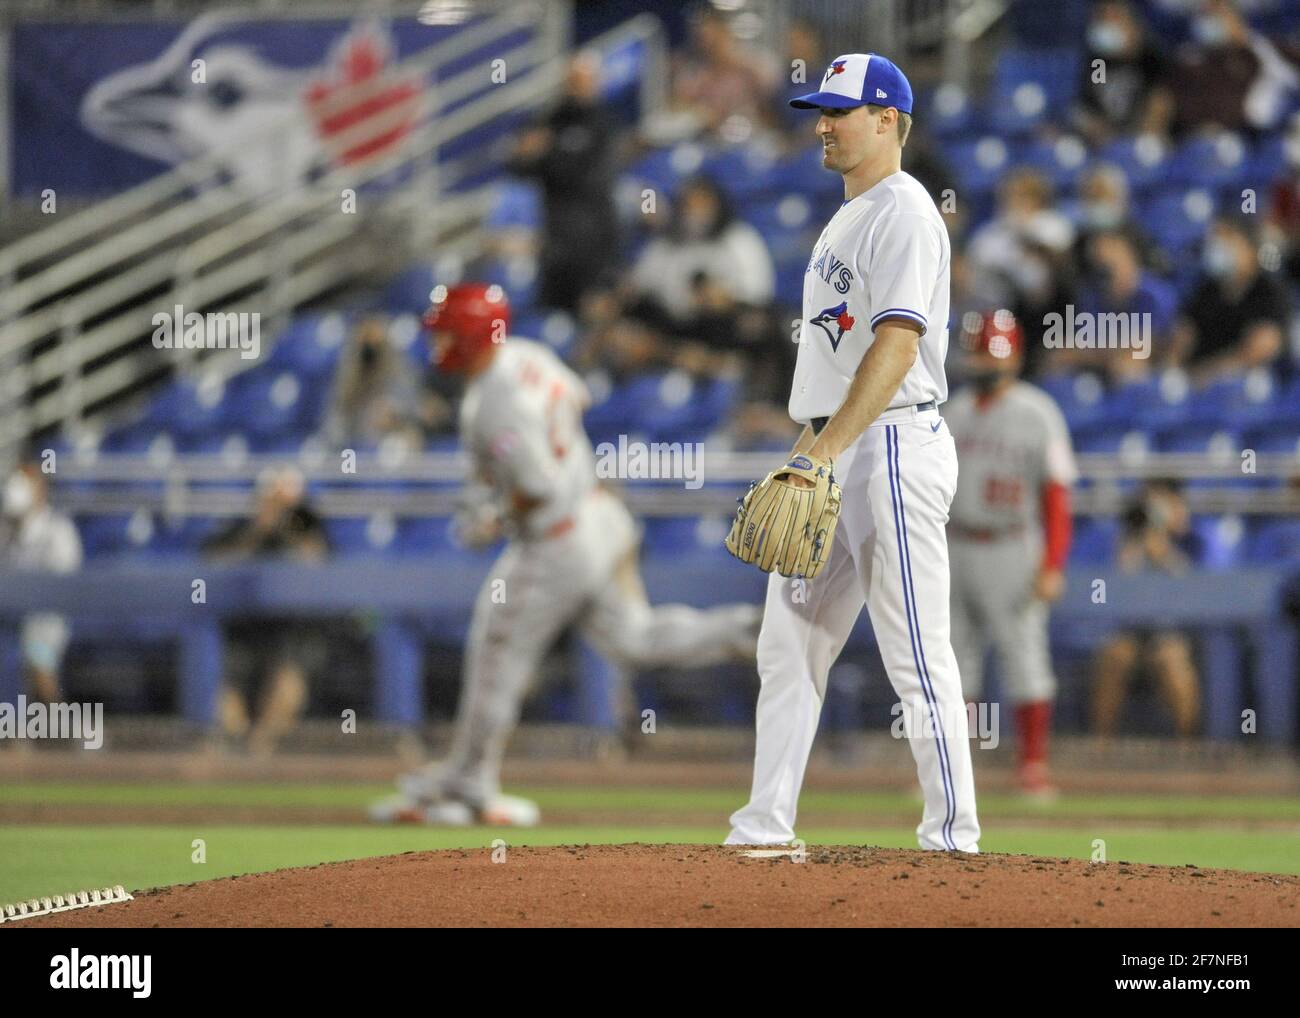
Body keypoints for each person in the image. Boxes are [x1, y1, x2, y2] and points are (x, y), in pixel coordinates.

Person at [371, 283, 762, 826]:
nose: (439, 345)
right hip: (601, 514)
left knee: (496, 647)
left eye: (448, 334)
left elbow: (540, 488)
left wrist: (494, 516)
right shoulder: (528, 354)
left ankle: (470, 783)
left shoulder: (490, 403)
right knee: (635, 639)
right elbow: (575, 398)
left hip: (557, 537)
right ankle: (751, 631)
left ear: (472, 335)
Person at [725, 54, 981, 853]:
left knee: (914, 650)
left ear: (888, 121)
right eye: (819, 110)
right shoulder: (850, 213)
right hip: (844, 444)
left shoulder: (904, 212)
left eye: (841, 110)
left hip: (895, 446)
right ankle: (764, 826)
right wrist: (810, 449)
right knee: (790, 640)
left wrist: (822, 454)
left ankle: (952, 839)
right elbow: (839, 370)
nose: (824, 125)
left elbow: (897, 348)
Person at [943, 311, 1076, 798]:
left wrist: (1053, 562)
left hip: (1012, 544)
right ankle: (955, 770)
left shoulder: (1038, 412)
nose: (984, 362)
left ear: (1016, 355)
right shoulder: (952, 411)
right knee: (955, 661)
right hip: (955, 542)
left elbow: (1058, 496)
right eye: (977, 352)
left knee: (1024, 654)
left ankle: (1032, 765)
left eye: (992, 352)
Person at [202, 465, 330, 757]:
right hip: (245, 626)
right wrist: (259, 529)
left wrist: (292, 526)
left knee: (290, 678)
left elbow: (320, 563)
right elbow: (213, 564)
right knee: (226, 677)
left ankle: (262, 750)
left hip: (293, 628)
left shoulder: (308, 526)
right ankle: (234, 746)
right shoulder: (241, 527)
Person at [507, 52, 621, 314]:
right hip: (554, 236)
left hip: (593, 237)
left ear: (596, 82)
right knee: (551, 311)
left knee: (591, 310)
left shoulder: (604, 124)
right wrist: (527, 154)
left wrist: (548, 154)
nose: (576, 88)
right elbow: (518, 168)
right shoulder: (552, 119)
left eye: (582, 81)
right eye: (571, 81)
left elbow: (592, 177)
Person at [1092, 481, 1201, 739]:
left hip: (1172, 631)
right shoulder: (1124, 542)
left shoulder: (1192, 541)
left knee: (1171, 659)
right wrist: (1132, 551)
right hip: (1129, 630)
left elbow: (1195, 586)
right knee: (1115, 656)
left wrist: (1164, 553)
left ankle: (1187, 744)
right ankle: (1100, 744)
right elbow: (1107, 592)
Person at [0, 459, 83, 704]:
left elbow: (63, 582)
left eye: (26, 484)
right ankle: (14, 731)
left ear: (40, 489)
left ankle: (67, 728)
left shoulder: (59, 529)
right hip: (9, 620)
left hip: (46, 622)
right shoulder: (5, 530)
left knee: (36, 657)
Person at [1172, 217, 1290, 380]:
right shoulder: (1207, 289)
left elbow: (1261, 347)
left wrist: (1206, 375)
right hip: (1198, 382)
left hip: (1250, 386)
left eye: (1227, 237)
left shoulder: (1270, 291)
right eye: (1215, 238)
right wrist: (1172, 372)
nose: (1218, 245)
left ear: (1249, 247)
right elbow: (1184, 334)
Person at [322, 317, 428, 450]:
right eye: (366, 343)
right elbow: (335, 417)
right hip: (356, 441)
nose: (370, 349)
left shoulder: (401, 370)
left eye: (375, 343)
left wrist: (394, 413)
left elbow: (413, 408)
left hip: (392, 441)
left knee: (405, 440)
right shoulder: (349, 371)